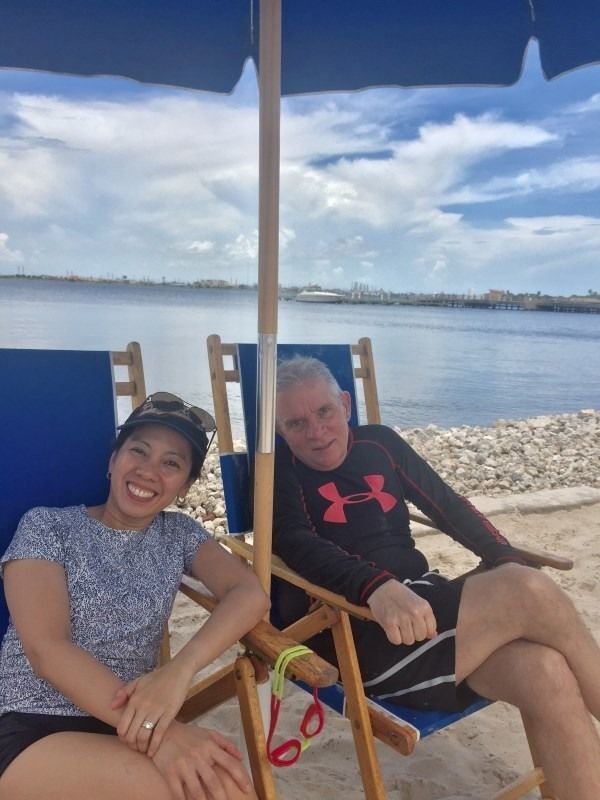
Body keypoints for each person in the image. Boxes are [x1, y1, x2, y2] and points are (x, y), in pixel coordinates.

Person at [272, 356, 600, 800]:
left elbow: (446, 504)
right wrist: (375, 587)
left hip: (427, 611)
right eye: (295, 423)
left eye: (324, 412)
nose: (315, 431)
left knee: (547, 673)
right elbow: (297, 545)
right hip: (360, 634)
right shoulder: (276, 472)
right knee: (527, 589)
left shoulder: (381, 444)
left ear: (346, 404)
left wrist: (500, 555)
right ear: (280, 430)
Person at [0, 392, 270, 800]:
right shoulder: (47, 526)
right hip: (34, 724)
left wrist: (179, 671)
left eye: (171, 464)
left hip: (128, 728)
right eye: (138, 451)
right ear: (113, 461)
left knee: (226, 783)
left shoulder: (179, 535)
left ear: (186, 485)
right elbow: (47, 650)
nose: (148, 471)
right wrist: (158, 737)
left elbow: (250, 594)